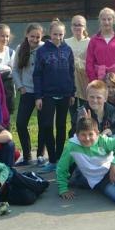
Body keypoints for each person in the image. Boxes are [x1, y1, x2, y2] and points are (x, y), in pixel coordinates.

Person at [33, 19, 75, 173]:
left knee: (62, 126)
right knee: (47, 126)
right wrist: (38, 96)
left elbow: (71, 72)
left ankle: (59, 158)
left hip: (65, 94)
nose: (58, 37)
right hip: (47, 95)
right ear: (50, 34)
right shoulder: (42, 51)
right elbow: (37, 74)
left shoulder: (67, 49)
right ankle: (51, 159)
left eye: (61, 34)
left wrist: (72, 92)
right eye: (55, 34)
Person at [13, 23, 46, 166]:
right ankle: (27, 156)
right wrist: (20, 86)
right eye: (32, 36)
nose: (34, 39)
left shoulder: (45, 48)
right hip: (27, 91)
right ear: (27, 35)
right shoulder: (21, 48)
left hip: (42, 93)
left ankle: (40, 155)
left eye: (37, 37)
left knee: (43, 124)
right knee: (20, 123)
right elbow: (15, 69)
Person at [85, 7, 115, 86]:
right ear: (100, 21)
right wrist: (93, 80)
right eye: (104, 19)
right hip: (99, 80)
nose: (106, 22)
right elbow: (89, 63)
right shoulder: (93, 40)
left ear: (114, 21)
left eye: (109, 19)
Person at [65, 15, 90, 118]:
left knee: (86, 112)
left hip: (85, 81)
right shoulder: (66, 42)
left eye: (79, 25)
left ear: (84, 27)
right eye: (74, 25)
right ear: (71, 27)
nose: (77, 27)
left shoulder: (90, 42)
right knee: (73, 114)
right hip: (70, 82)